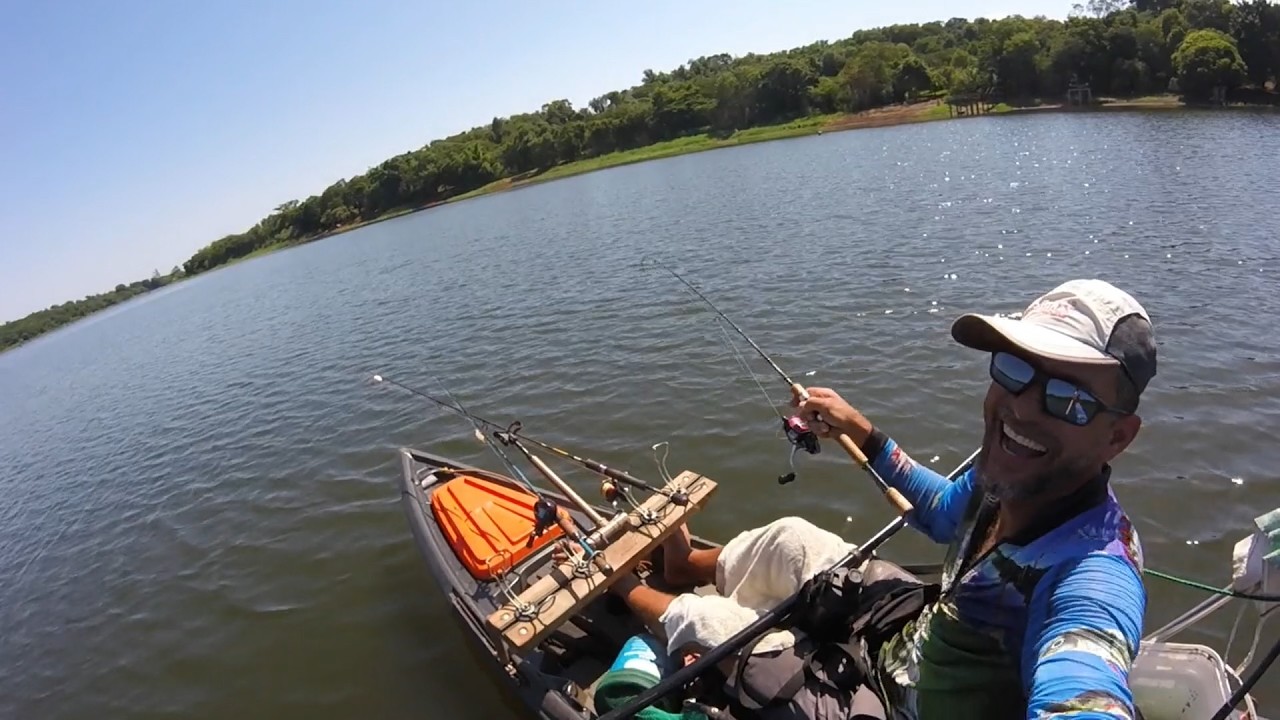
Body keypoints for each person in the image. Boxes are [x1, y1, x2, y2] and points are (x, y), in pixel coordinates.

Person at [606, 278, 1157, 720]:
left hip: (889, 706)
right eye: (1015, 371)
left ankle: (623, 585)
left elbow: (1084, 683)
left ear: (1117, 437)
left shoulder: (1093, 576)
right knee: (789, 538)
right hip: (906, 632)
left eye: (1068, 399)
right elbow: (941, 513)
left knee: (714, 626)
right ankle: (683, 564)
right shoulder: (1008, 475)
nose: (1023, 407)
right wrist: (860, 430)